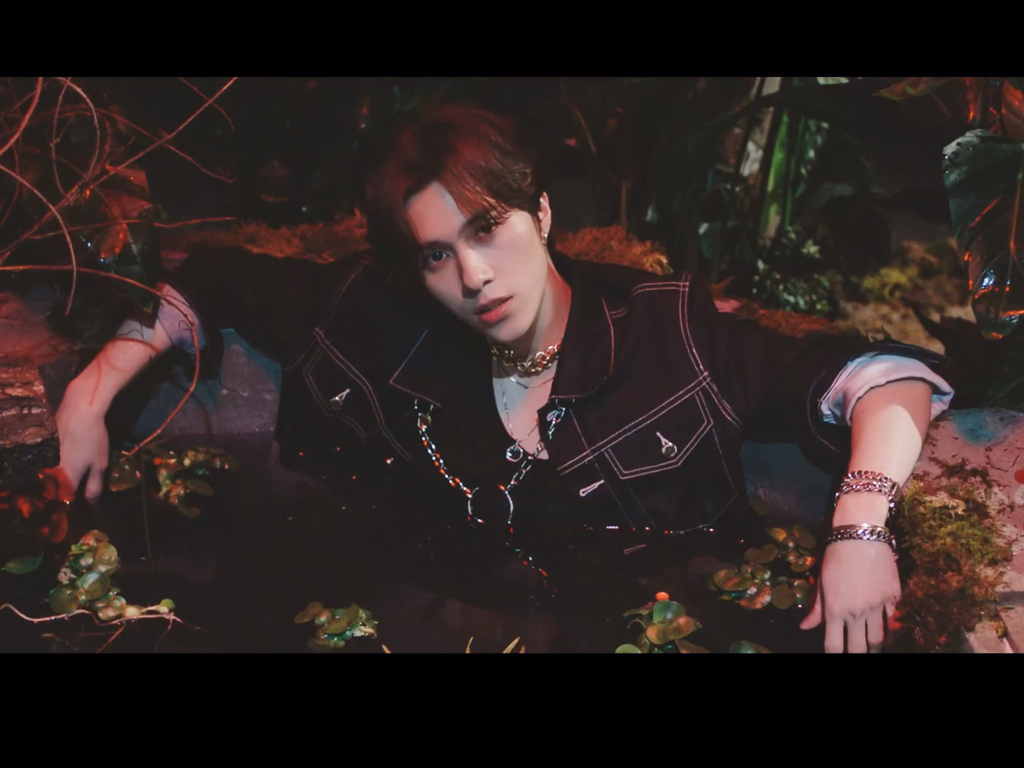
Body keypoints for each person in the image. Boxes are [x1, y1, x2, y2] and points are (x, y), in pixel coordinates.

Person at [52, 103, 954, 653]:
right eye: (437, 254)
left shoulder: (666, 333)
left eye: (487, 229)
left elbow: (885, 377)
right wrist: (90, 396)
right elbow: (208, 282)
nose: (474, 276)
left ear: (542, 213)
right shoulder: (378, 316)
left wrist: (861, 527)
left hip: (658, 613)